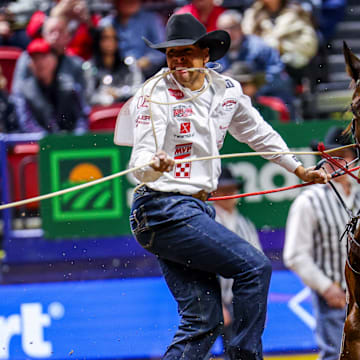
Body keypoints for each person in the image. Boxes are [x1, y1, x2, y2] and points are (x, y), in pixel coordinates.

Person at [123, 13, 330, 359]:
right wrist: (151, 165)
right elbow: (140, 159)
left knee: (203, 321)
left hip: (191, 211)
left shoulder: (227, 91)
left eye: (185, 53)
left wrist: (297, 168)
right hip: (161, 208)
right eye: (171, 55)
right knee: (255, 267)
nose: (178, 62)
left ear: (205, 55)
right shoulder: (153, 95)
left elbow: (258, 134)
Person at [283, 126, 360, 360]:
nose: (339, 162)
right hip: (334, 292)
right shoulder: (308, 201)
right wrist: (326, 287)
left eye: (345, 156)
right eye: (334, 156)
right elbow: (295, 255)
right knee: (335, 352)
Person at [212, 166, 262, 358]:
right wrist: (219, 306)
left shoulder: (244, 223)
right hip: (217, 300)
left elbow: (259, 262)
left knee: (244, 349)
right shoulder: (210, 220)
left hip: (242, 299)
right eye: (224, 190)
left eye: (232, 189)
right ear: (214, 192)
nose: (230, 194)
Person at [216, 10, 295, 114]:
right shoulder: (213, 53)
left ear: (241, 28)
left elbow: (279, 76)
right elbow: (205, 80)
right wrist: (220, 80)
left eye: (232, 27)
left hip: (264, 100)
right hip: (228, 102)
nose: (229, 33)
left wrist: (256, 86)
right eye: (224, 29)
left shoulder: (260, 48)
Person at [12, 38, 88, 134]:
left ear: (54, 59)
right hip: (38, 146)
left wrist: (76, 137)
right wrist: (50, 141)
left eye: (43, 57)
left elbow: (82, 118)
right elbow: (26, 123)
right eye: (34, 58)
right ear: (29, 64)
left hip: (72, 145)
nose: (39, 63)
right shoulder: (23, 91)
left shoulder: (70, 86)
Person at [241, 0, 318, 74]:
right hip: (258, 65)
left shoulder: (297, 12)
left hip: (291, 66)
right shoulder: (252, 14)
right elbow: (247, 40)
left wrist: (281, 47)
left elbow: (309, 44)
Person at [100, 0, 166, 78]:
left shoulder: (151, 19)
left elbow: (161, 48)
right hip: (114, 72)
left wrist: (147, 60)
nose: (130, 2)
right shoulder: (106, 23)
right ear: (116, 2)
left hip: (146, 73)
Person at [83, 24, 143, 106]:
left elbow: (139, 89)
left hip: (126, 109)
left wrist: (118, 93)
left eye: (113, 38)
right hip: (101, 112)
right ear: (98, 41)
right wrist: (107, 98)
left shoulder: (129, 63)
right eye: (105, 38)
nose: (110, 43)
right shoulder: (89, 67)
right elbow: (88, 96)